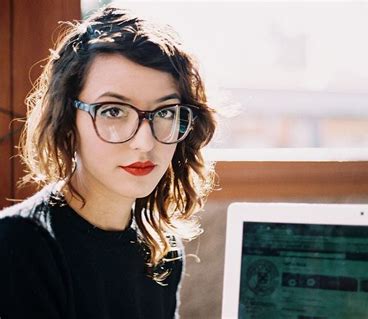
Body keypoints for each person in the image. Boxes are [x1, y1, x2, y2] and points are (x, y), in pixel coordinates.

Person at [0, 5, 216, 319]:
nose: (145, 142)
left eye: (166, 112)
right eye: (113, 111)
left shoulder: (163, 250)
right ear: (67, 119)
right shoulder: (19, 245)